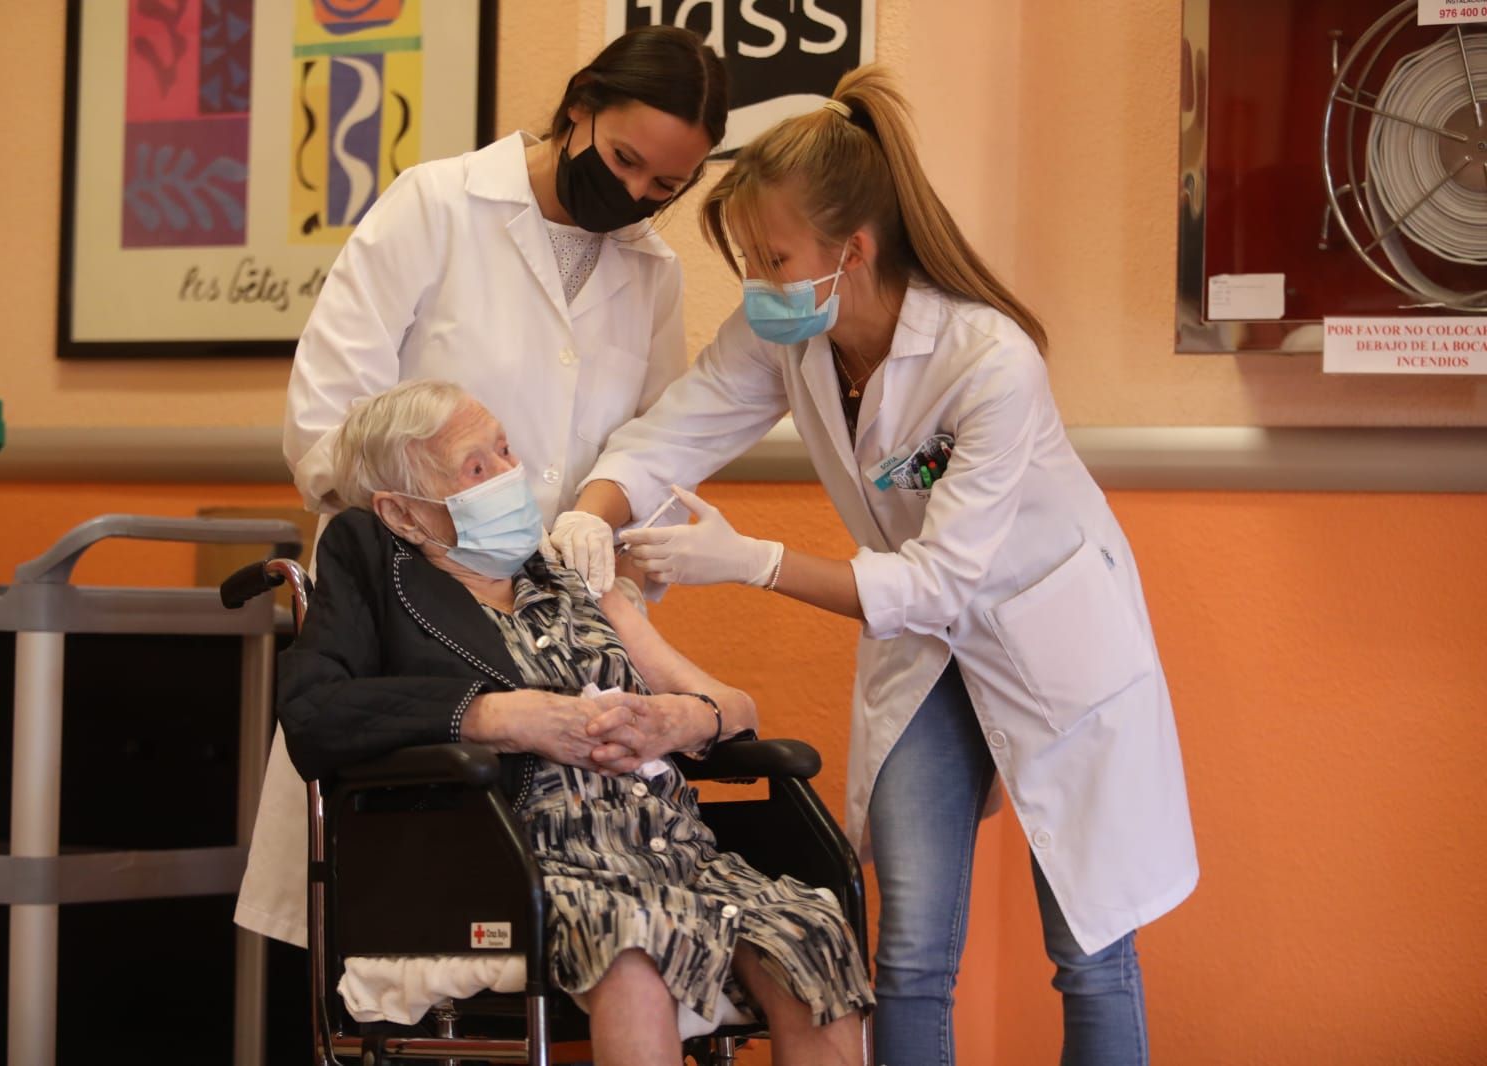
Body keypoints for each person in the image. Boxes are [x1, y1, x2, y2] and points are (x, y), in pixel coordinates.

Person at [559, 66, 1199, 1066]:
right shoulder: (791, 337)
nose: (757, 286)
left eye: (771, 258)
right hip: (923, 654)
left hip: (1051, 646)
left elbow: (941, 580)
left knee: (1090, 948)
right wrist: (586, 520)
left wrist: (754, 561)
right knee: (904, 955)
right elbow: (664, 440)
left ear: (849, 252)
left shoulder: (988, 362)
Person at [239, 26, 729, 948]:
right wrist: (435, 537)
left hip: (566, 624)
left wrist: (610, 534)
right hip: (416, 605)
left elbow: (651, 450)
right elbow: (325, 421)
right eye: (623, 160)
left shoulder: (651, 272)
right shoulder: (436, 206)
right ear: (579, 105)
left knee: (595, 914)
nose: (632, 196)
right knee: (412, 924)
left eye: (665, 186)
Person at [279, 379, 873, 1066]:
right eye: (478, 468)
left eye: (505, 452)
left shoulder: (568, 576)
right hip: (519, 864)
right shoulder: (381, 574)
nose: (510, 475)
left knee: (813, 932)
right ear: (404, 513)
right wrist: (495, 715)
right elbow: (313, 711)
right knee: (633, 939)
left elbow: (735, 712)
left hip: (672, 855)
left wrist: (680, 720)